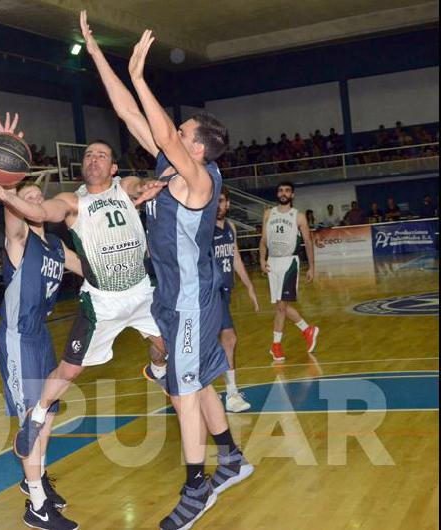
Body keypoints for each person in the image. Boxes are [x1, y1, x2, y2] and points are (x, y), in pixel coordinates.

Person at [113, 23, 252, 529]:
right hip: (173, 297)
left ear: (195, 149)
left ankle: (197, 488)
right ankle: (231, 459)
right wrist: (106, 64)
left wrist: (140, 74)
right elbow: (131, 115)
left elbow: (163, 130)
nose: (177, 131)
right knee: (195, 384)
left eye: (184, 131)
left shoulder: (197, 177)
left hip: (191, 300)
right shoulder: (172, 165)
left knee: (184, 392)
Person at [0, 115, 166, 467]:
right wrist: (5, 189)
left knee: (164, 348)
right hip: (97, 306)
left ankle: (156, 370)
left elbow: (138, 185)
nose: (93, 159)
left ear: (113, 168)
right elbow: (39, 211)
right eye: (88, 155)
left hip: (140, 291)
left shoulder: (123, 189)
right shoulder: (70, 203)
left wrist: (146, 188)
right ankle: (37, 417)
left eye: (101, 155)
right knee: (70, 372)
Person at [0, 112, 84, 530]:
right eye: (31, 198)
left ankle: (34, 479)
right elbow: (11, 205)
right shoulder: (19, 241)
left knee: (48, 412)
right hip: (18, 337)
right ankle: (37, 506)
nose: (36, 202)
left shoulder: (57, 247)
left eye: (41, 198)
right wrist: (11, 174)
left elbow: (93, 269)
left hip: (41, 337)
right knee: (30, 420)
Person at [259, 181, 319, 362]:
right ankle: (307, 330)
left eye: (287, 191)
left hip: (289, 262)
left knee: (282, 306)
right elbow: (263, 239)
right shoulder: (268, 213)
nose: (283, 193)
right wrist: (261, 259)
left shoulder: (298, 216)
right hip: (272, 262)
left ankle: (276, 345)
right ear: (277, 194)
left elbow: (308, 242)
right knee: (280, 306)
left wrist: (312, 267)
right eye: (280, 190)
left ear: (292, 195)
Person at [214, 187, 260, 413]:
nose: (217, 205)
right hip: (209, 292)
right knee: (229, 338)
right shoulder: (204, 228)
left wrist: (249, 286)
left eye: (220, 201)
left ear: (228, 204)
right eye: (214, 201)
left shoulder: (230, 227)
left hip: (225, 290)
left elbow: (236, 258)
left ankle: (189, 385)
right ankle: (231, 395)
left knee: (216, 342)